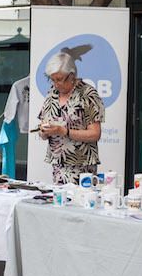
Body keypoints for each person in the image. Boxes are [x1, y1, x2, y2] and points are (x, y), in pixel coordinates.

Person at [38, 52, 104, 185]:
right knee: (59, 203)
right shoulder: (52, 93)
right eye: (53, 79)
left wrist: (64, 131)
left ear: (72, 76)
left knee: (78, 203)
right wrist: (44, 131)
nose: (56, 84)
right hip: (58, 166)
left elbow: (95, 134)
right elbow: (42, 131)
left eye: (60, 79)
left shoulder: (87, 94)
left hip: (82, 166)